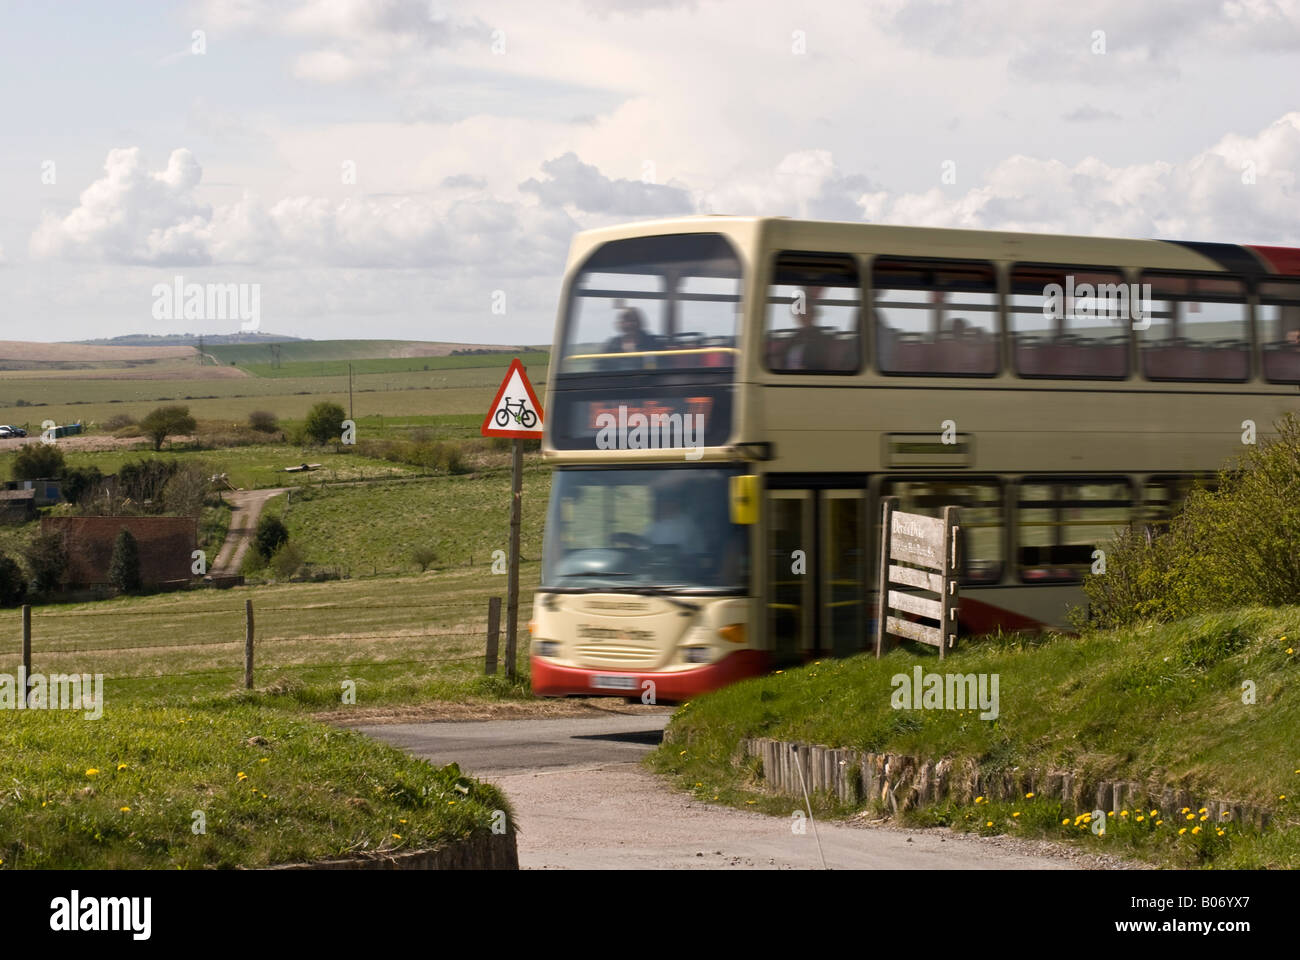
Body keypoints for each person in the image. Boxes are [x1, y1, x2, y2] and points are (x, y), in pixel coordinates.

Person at [781, 286, 833, 370]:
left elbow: (820, 364)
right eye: (800, 313)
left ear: (813, 315)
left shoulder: (820, 337)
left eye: (806, 313)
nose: (802, 316)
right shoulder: (795, 337)